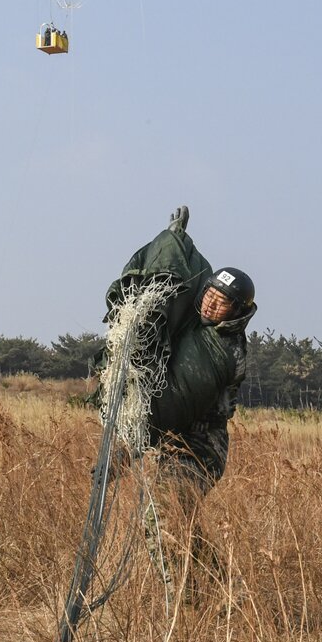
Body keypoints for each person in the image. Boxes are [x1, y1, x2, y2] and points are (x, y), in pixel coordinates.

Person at [100, 205, 256, 498]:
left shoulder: (223, 352)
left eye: (221, 302)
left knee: (164, 511)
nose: (210, 304)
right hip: (174, 441)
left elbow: (170, 408)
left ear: (236, 312)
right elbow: (185, 275)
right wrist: (175, 240)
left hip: (199, 449)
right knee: (174, 527)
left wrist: (124, 454)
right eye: (209, 294)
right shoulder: (197, 323)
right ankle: (197, 548)